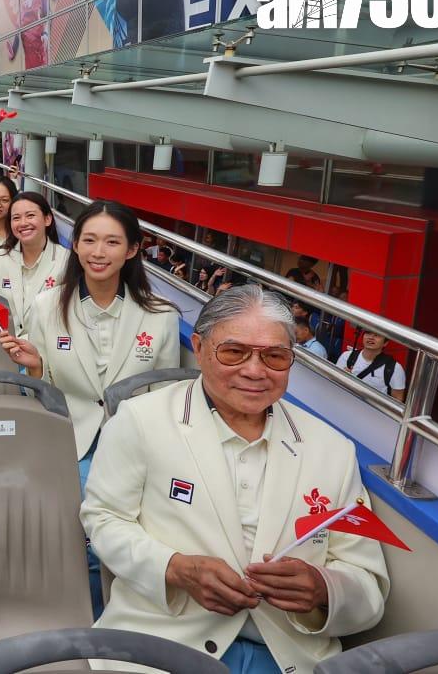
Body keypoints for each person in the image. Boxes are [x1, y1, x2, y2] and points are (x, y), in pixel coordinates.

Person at [81, 285, 389, 674]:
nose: (255, 371)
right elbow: (104, 519)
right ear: (199, 346)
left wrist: (322, 589)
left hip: (287, 653)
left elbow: (367, 582)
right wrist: (174, 567)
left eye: (275, 357)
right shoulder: (142, 421)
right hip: (164, 643)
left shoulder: (332, 451)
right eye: (233, 352)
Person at [0, 199, 180, 616]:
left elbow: (166, 393)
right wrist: (37, 365)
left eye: (112, 242)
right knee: (83, 541)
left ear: (133, 249)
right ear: (75, 246)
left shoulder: (160, 317)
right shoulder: (46, 309)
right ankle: (87, 619)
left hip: (138, 448)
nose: (99, 252)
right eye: (90, 240)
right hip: (72, 440)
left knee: (133, 543)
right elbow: (42, 391)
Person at [0, 191, 68, 328]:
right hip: (2, 343)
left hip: (45, 347)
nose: (23, 223)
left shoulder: (66, 261)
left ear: (47, 219)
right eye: (16, 218)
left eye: (30, 216)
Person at [336, 329, 406, 402]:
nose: (371, 337)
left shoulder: (395, 368)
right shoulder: (347, 356)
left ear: (385, 343)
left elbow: (398, 400)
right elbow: (334, 384)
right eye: (368, 333)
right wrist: (343, 378)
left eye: (377, 335)